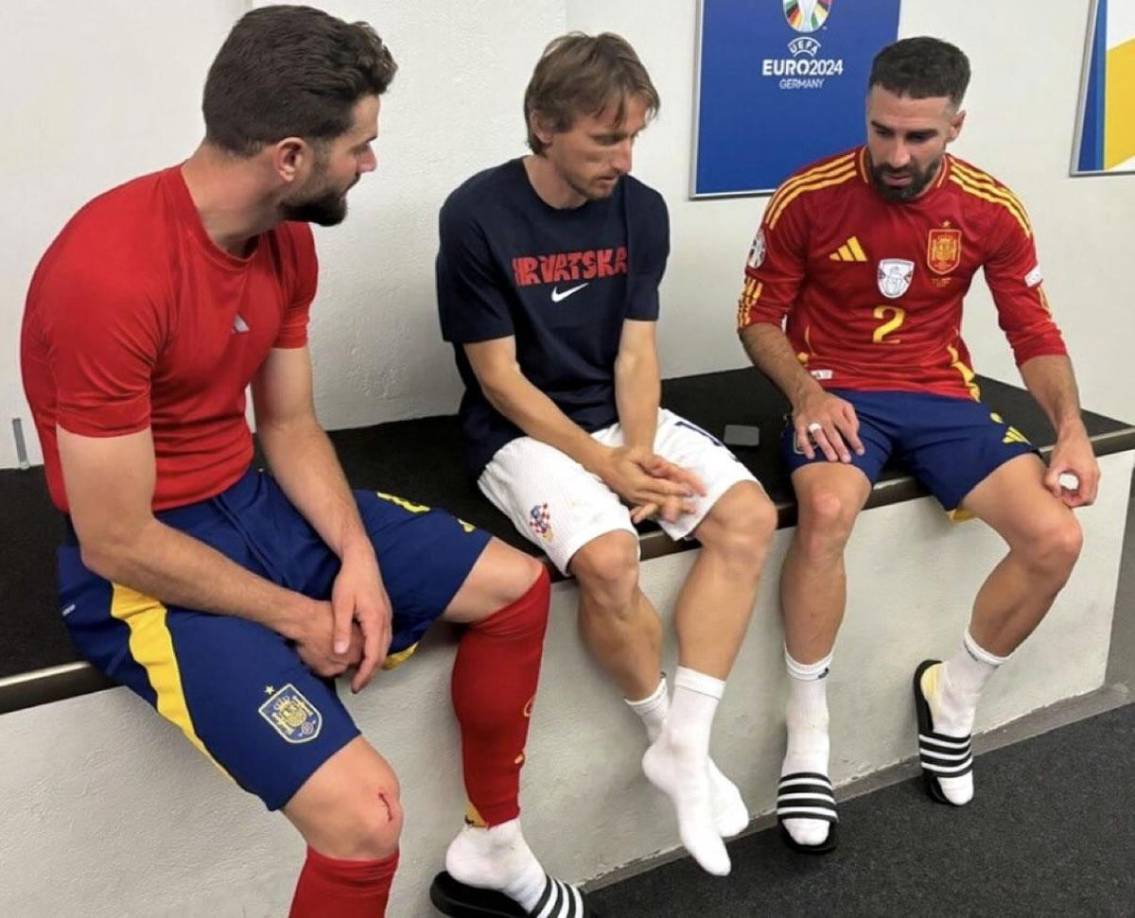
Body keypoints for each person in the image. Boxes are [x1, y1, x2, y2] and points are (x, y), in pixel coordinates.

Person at [20, 7, 591, 916]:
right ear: (289, 157)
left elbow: (287, 425)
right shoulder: (109, 273)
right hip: (144, 568)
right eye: (359, 146)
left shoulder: (285, 239)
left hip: (255, 502)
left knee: (516, 588)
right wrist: (299, 615)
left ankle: (492, 847)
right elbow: (115, 538)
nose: (371, 163)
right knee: (366, 818)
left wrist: (356, 558)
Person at [737, 36, 1099, 854]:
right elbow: (757, 316)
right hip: (834, 389)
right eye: (881, 131)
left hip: (939, 393)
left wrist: (1070, 431)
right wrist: (804, 392)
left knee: (1056, 537)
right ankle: (807, 736)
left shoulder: (989, 207)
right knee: (827, 511)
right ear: (865, 114)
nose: (895, 154)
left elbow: (1031, 330)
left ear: (954, 127)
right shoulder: (807, 195)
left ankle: (953, 698)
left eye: (918, 136)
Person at [437, 32, 778, 878]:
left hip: (619, 417)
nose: (622, 160)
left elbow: (635, 353)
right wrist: (602, 467)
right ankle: (668, 739)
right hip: (519, 431)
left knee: (747, 518)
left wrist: (637, 452)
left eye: (632, 138)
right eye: (603, 140)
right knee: (610, 559)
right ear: (542, 125)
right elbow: (499, 379)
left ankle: (686, 743)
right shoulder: (475, 214)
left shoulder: (641, 209)